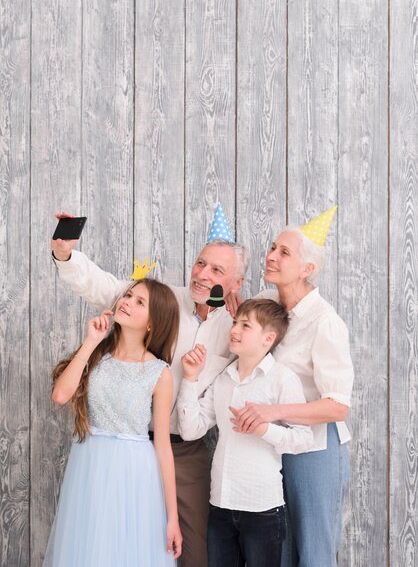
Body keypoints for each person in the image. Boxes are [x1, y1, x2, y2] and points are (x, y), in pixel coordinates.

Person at [50, 211, 248, 567]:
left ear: (236, 283)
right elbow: (107, 287)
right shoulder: (163, 299)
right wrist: (66, 255)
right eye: (201, 263)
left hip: (183, 451)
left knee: (190, 553)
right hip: (121, 449)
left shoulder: (237, 328)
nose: (203, 274)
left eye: (217, 271)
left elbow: (276, 321)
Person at [229, 209, 354, 567]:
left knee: (314, 552)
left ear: (307, 269)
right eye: (272, 248)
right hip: (271, 446)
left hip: (315, 449)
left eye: (285, 252)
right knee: (277, 551)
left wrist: (274, 412)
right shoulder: (267, 303)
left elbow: (337, 407)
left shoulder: (325, 322)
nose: (271, 256)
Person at [43, 279, 182, 567]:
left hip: (135, 473)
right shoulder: (97, 355)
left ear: (153, 323)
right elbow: (60, 395)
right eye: (128, 295)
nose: (127, 302)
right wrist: (91, 341)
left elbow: (164, 447)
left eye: (139, 302)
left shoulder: (159, 372)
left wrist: (172, 518)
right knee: (90, 549)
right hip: (90, 467)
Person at [177, 299, 313, 567]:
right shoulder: (223, 377)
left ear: (268, 338)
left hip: (262, 510)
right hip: (219, 506)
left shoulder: (282, 379)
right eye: (235, 322)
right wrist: (190, 379)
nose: (234, 330)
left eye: (245, 325)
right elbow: (192, 430)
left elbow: (304, 439)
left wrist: (265, 430)